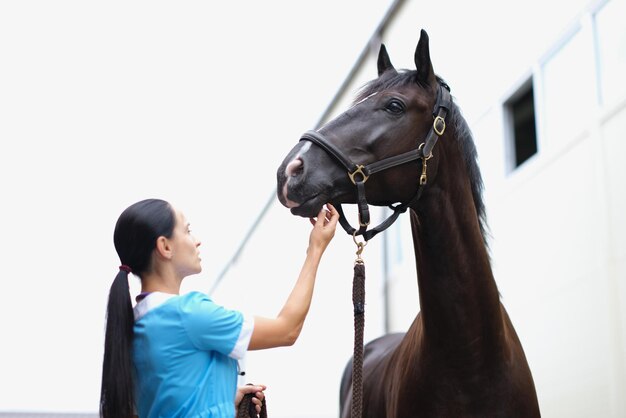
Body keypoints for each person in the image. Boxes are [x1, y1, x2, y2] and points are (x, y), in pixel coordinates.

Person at [100, 198, 339, 418]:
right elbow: (287, 330)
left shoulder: (135, 325)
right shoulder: (188, 313)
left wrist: (223, 401)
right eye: (187, 230)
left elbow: (172, 400)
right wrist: (315, 249)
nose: (197, 240)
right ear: (165, 247)